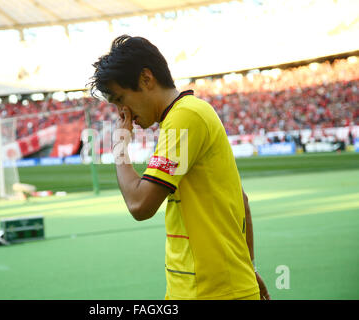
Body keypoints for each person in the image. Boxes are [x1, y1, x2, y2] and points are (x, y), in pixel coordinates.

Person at [89, 35, 270, 300]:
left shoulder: (185, 118)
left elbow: (140, 205)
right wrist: (248, 269)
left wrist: (119, 146)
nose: (121, 112)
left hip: (213, 291)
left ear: (146, 79)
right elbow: (240, 200)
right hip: (201, 288)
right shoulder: (184, 116)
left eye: (120, 99)